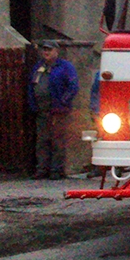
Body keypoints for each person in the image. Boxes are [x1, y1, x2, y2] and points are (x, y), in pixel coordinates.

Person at [28, 40, 79, 180]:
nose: (46, 52)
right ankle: (42, 169)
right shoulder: (38, 67)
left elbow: (73, 86)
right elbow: (31, 86)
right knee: (42, 141)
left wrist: (63, 102)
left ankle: (56, 170)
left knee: (57, 141)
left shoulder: (65, 67)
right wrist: (33, 103)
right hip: (42, 110)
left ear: (56, 51)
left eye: (49, 50)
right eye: (44, 50)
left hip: (58, 111)